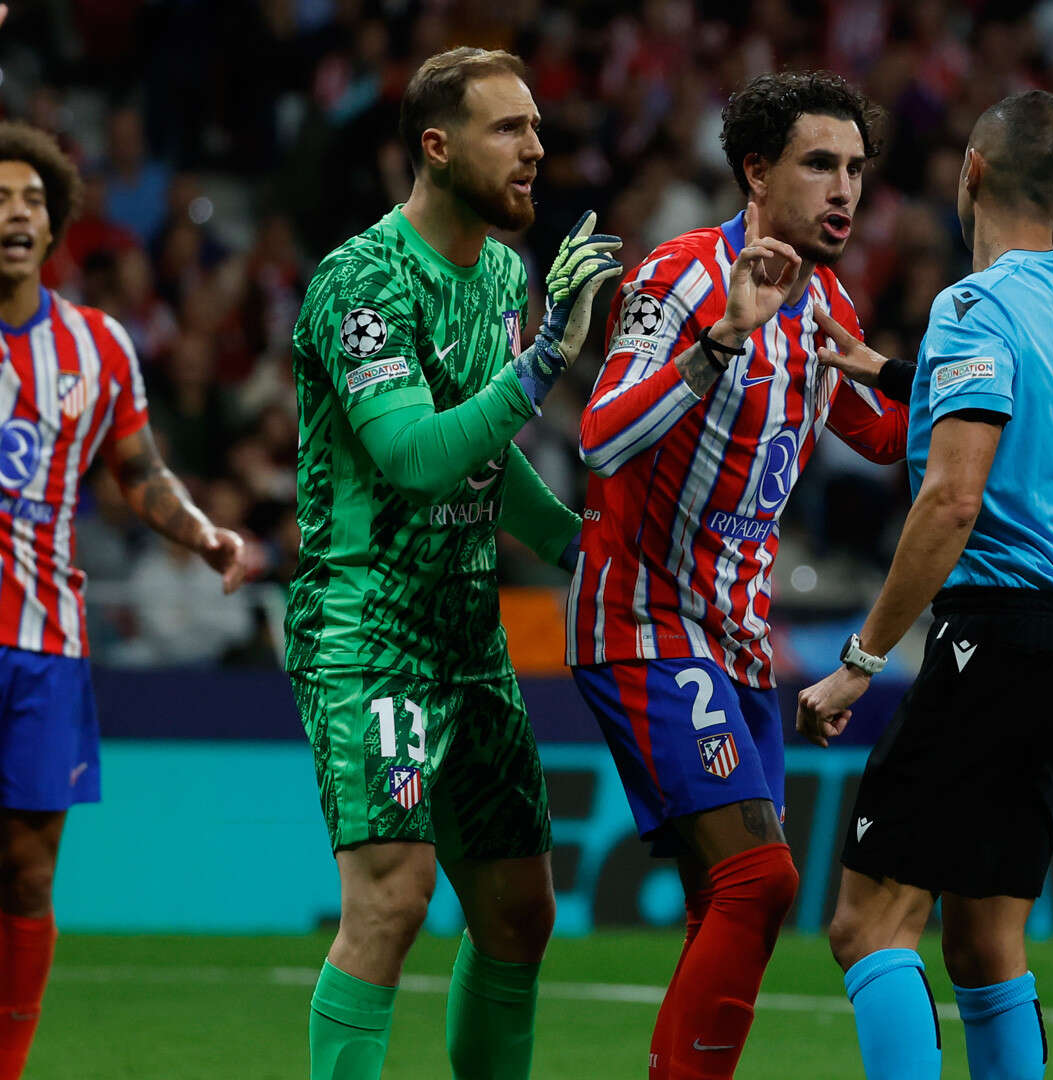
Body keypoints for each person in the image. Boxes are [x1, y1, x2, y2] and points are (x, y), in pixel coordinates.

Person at [287, 48, 620, 1080]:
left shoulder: (504, 278)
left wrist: (582, 545)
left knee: (520, 912)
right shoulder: (362, 282)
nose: (536, 149)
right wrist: (547, 359)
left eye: (536, 127)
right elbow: (414, 456)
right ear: (437, 147)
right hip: (369, 624)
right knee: (392, 892)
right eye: (508, 130)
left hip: (468, 630)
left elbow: (484, 460)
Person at [566, 70, 904, 1080]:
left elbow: (887, 441)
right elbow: (601, 436)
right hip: (642, 619)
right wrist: (722, 341)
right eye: (818, 165)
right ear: (755, 172)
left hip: (739, 642)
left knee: (733, 904)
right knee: (759, 878)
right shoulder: (681, 278)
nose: (843, 189)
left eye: (854, 168)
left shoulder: (827, 301)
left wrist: (882, 368)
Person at [795, 89, 1053, 1080]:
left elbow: (950, 502)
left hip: (994, 636)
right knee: (986, 942)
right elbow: (1021, 405)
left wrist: (859, 661)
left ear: (968, 172)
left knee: (867, 924)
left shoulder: (973, 306)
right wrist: (890, 372)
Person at [0, 120, 247, 1080]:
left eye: (31, 201)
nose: (15, 216)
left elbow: (140, 472)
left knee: (25, 870)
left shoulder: (96, 345)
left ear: (55, 223)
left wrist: (204, 532)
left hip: (44, 648)